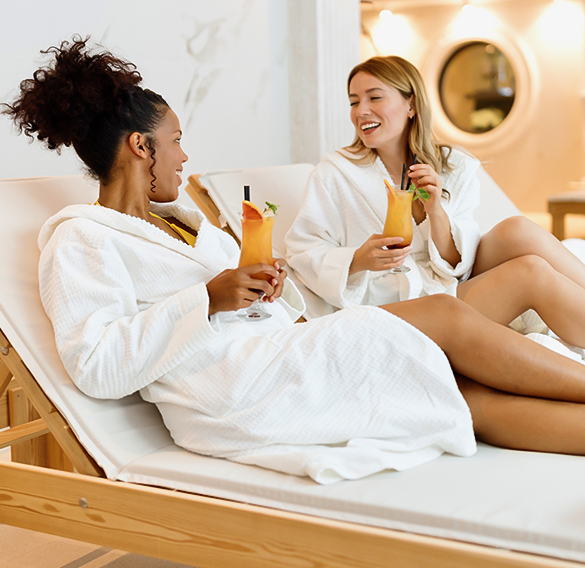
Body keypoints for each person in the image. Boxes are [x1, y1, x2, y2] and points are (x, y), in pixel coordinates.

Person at [6, 38, 585, 487]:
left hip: (279, 354)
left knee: (464, 394)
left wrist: (268, 288)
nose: (185, 155)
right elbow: (96, 364)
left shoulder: (182, 221)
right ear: (140, 146)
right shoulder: (82, 238)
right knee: (446, 318)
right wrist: (209, 297)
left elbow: (255, 301)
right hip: (237, 389)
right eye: (176, 140)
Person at [285, 55, 585, 334]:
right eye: (354, 101)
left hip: (452, 280)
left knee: (517, 229)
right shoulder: (334, 173)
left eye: (374, 97)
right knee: (530, 271)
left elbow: (458, 263)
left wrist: (435, 210)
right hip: (404, 301)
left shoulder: (454, 165)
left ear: (411, 105)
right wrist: (356, 260)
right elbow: (302, 251)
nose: (361, 110)